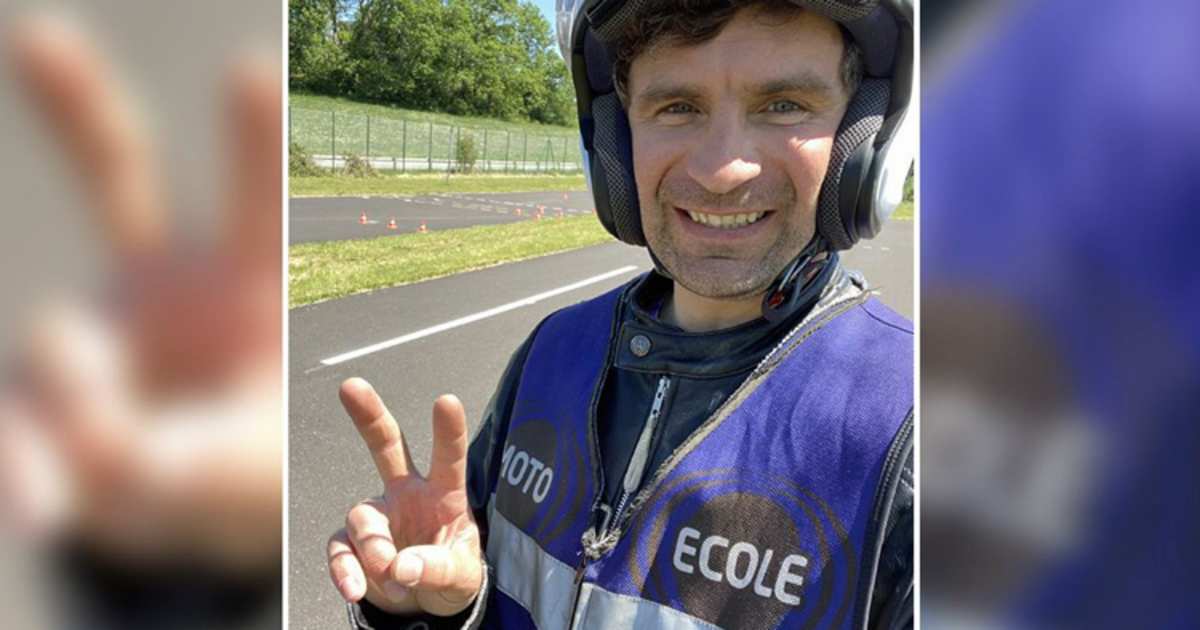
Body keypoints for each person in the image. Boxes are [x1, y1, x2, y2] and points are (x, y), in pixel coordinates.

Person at [328, 1, 914, 628]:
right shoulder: (555, 350)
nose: (722, 172)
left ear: (864, 139)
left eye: (784, 105)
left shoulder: (913, 430)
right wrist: (436, 613)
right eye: (678, 107)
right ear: (616, 139)